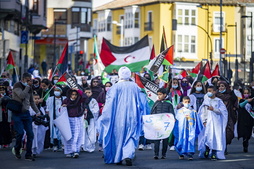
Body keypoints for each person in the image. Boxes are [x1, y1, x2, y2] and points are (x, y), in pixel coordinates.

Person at [98, 66, 149, 166]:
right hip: (133, 116)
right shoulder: (135, 87)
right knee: (130, 136)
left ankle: (118, 157)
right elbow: (142, 101)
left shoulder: (114, 88)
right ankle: (128, 155)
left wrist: (105, 117)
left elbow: (109, 105)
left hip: (118, 118)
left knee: (118, 136)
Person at [12, 73, 41, 161]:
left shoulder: (30, 88)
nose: (29, 82)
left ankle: (28, 154)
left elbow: (31, 101)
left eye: (30, 80)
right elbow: (21, 96)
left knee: (30, 134)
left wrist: (37, 111)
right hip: (17, 113)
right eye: (28, 80)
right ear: (23, 79)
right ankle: (17, 149)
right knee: (20, 133)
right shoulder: (17, 85)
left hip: (26, 113)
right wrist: (28, 86)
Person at [198, 86, 228, 160]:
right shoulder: (206, 101)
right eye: (208, 91)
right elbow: (203, 112)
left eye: (210, 91)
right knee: (207, 136)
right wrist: (204, 121)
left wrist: (214, 109)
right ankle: (207, 150)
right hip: (208, 123)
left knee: (216, 138)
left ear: (214, 92)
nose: (209, 92)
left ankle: (214, 153)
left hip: (216, 123)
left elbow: (223, 111)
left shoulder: (218, 101)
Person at [174, 96, 203, 160]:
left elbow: (197, 121)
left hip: (191, 130)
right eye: (185, 102)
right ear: (183, 102)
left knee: (190, 141)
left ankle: (190, 155)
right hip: (181, 129)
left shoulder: (193, 111)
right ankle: (181, 153)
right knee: (181, 140)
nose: (187, 103)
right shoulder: (179, 111)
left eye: (188, 102)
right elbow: (176, 120)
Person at [62, 88, 87, 158]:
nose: (74, 96)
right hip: (68, 120)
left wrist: (78, 90)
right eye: (72, 94)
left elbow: (85, 97)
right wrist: (63, 106)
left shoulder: (78, 101)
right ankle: (69, 151)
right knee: (68, 136)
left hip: (77, 119)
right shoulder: (66, 101)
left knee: (77, 135)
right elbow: (60, 110)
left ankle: (76, 151)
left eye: (76, 94)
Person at [151, 88, 174, 160]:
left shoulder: (169, 103)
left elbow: (171, 113)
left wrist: (172, 119)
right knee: (156, 139)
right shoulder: (156, 103)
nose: (159, 96)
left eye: (160, 94)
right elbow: (152, 112)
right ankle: (156, 154)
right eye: (158, 94)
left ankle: (164, 154)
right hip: (157, 124)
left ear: (165, 95)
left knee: (165, 140)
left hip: (166, 125)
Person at [216, 81, 238, 154]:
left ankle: (225, 145)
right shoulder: (216, 95)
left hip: (229, 116)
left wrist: (234, 108)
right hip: (218, 116)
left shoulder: (230, 95)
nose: (221, 88)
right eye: (220, 86)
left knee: (229, 132)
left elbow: (235, 102)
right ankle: (222, 148)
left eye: (223, 86)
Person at [46, 87, 66, 152]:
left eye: (58, 90)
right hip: (53, 117)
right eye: (55, 90)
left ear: (61, 92)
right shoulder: (50, 99)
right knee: (54, 132)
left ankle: (63, 145)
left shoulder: (64, 99)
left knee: (62, 131)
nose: (56, 92)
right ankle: (55, 145)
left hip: (62, 118)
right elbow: (48, 109)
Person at [82, 87, 99, 152]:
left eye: (89, 92)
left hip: (91, 118)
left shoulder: (93, 100)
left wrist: (90, 111)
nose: (87, 94)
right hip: (83, 118)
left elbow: (96, 110)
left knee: (91, 132)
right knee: (84, 132)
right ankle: (84, 146)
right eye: (86, 92)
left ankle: (90, 146)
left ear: (91, 93)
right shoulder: (82, 100)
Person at [237, 88, 254, 153]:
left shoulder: (252, 101)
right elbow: (241, 106)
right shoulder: (242, 100)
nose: (246, 94)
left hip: (250, 119)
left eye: (247, 93)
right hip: (243, 119)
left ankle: (246, 141)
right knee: (244, 132)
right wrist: (247, 101)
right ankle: (245, 143)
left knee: (248, 133)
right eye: (245, 93)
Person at [0, 83, 12, 148]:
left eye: (3, 90)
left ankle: (7, 142)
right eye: (1, 90)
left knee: (7, 128)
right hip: (1, 115)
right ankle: (1, 142)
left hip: (6, 115)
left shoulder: (9, 96)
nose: (2, 92)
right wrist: (2, 98)